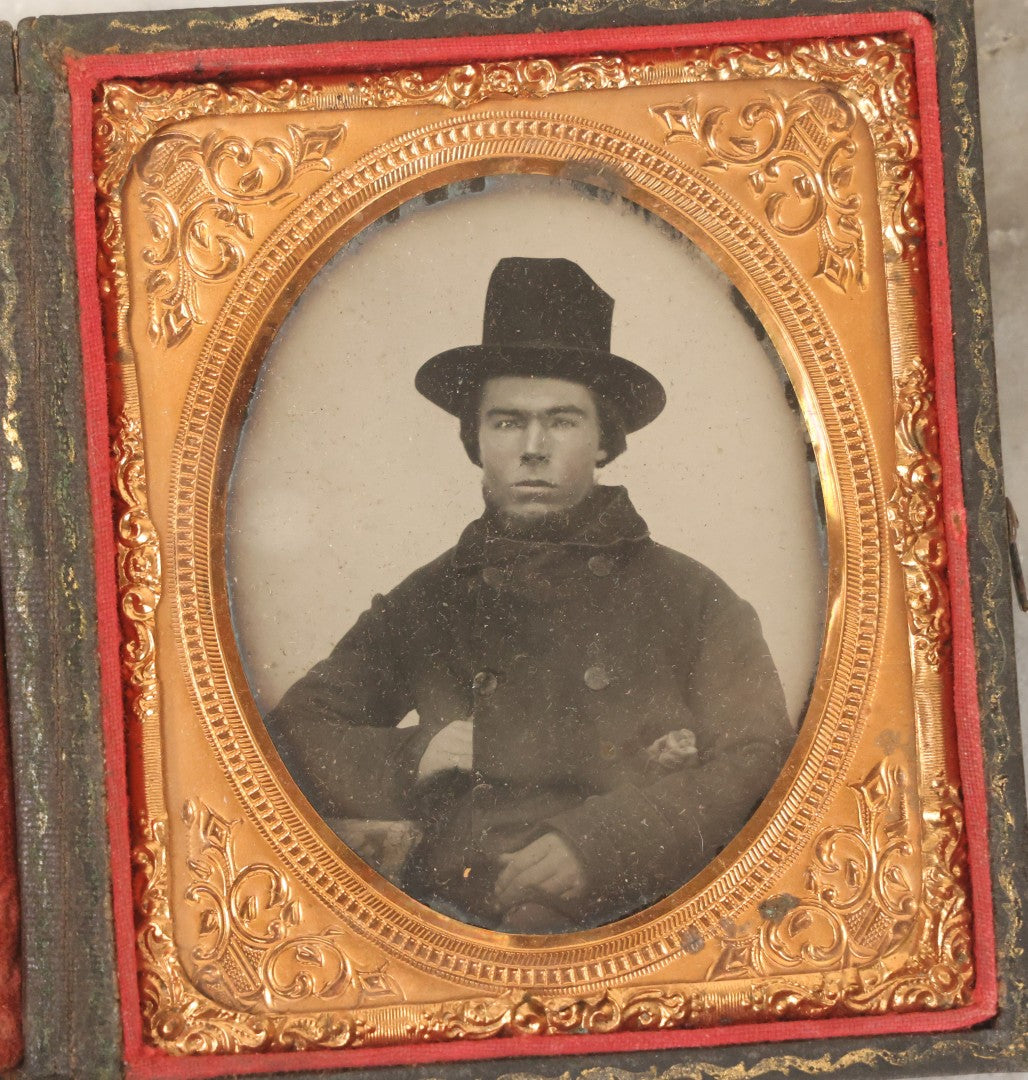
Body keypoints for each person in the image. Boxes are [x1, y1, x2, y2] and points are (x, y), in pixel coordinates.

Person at [265, 257, 794, 933]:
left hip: (634, 919)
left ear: (605, 439)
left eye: (563, 421)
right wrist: (416, 755)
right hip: (454, 921)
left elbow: (761, 760)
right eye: (508, 422)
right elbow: (294, 736)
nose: (534, 448)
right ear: (475, 439)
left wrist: (602, 845)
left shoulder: (694, 599)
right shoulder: (427, 601)